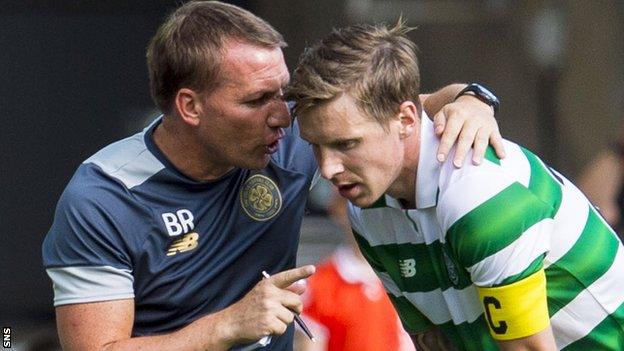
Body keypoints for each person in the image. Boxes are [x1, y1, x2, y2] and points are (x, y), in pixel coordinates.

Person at [41, 2, 506, 350]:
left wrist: (472, 99)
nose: (282, 117)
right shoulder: (103, 197)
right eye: (255, 100)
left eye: (282, 93)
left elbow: (399, 111)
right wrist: (227, 326)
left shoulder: (292, 137)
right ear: (190, 107)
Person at [288, 21, 624, 351]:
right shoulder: (367, 211)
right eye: (316, 145)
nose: (327, 168)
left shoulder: (477, 190)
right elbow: (434, 342)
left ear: (405, 119)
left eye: (346, 144)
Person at [295, 191, 415, 351]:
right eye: (356, 202)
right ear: (338, 208)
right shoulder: (318, 285)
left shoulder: (408, 277)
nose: (369, 213)